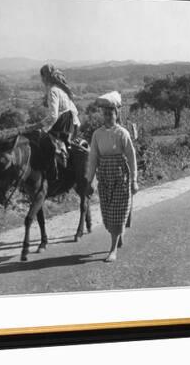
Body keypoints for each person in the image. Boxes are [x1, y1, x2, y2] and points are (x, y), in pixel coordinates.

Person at [84, 91, 138, 262]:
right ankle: (118, 232)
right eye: (105, 114)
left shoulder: (122, 133)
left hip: (121, 177)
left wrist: (134, 180)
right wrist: (89, 181)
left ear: (116, 115)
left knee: (118, 211)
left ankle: (112, 249)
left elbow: (131, 156)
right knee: (108, 214)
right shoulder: (97, 134)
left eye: (111, 114)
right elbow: (93, 159)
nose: (108, 117)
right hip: (105, 178)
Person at [37, 63, 81, 180]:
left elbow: (53, 115)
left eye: (42, 77)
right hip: (70, 123)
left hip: (63, 125)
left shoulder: (53, 90)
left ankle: (50, 173)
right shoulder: (61, 88)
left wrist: (41, 125)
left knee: (40, 140)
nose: (42, 80)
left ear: (45, 77)